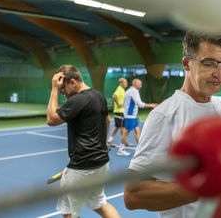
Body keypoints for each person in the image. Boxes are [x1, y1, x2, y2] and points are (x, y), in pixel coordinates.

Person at [123, 31, 221, 218]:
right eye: (209, 63)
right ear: (186, 63)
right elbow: (133, 195)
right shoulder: (164, 116)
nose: (219, 72)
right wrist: (205, 187)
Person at [47, 65, 120, 218]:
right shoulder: (98, 95)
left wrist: (53, 89)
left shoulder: (78, 100)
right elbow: (107, 120)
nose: (63, 93)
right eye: (59, 90)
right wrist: (101, 144)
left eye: (63, 89)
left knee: (69, 212)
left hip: (81, 166)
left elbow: (52, 119)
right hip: (101, 164)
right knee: (100, 204)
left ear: (72, 82)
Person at [117, 78, 157, 156]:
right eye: (140, 84)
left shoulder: (130, 91)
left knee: (137, 131)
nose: (141, 85)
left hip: (131, 115)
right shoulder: (133, 91)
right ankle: (120, 150)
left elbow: (125, 103)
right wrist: (151, 105)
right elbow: (140, 104)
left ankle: (140, 149)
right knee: (126, 132)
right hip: (130, 116)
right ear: (135, 84)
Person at [107, 78, 132, 147]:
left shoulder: (122, 90)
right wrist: (118, 104)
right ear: (121, 83)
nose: (126, 84)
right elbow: (114, 96)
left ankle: (121, 141)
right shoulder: (119, 89)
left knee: (120, 127)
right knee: (120, 127)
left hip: (121, 112)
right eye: (125, 82)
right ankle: (114, 141)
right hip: (119, 112)